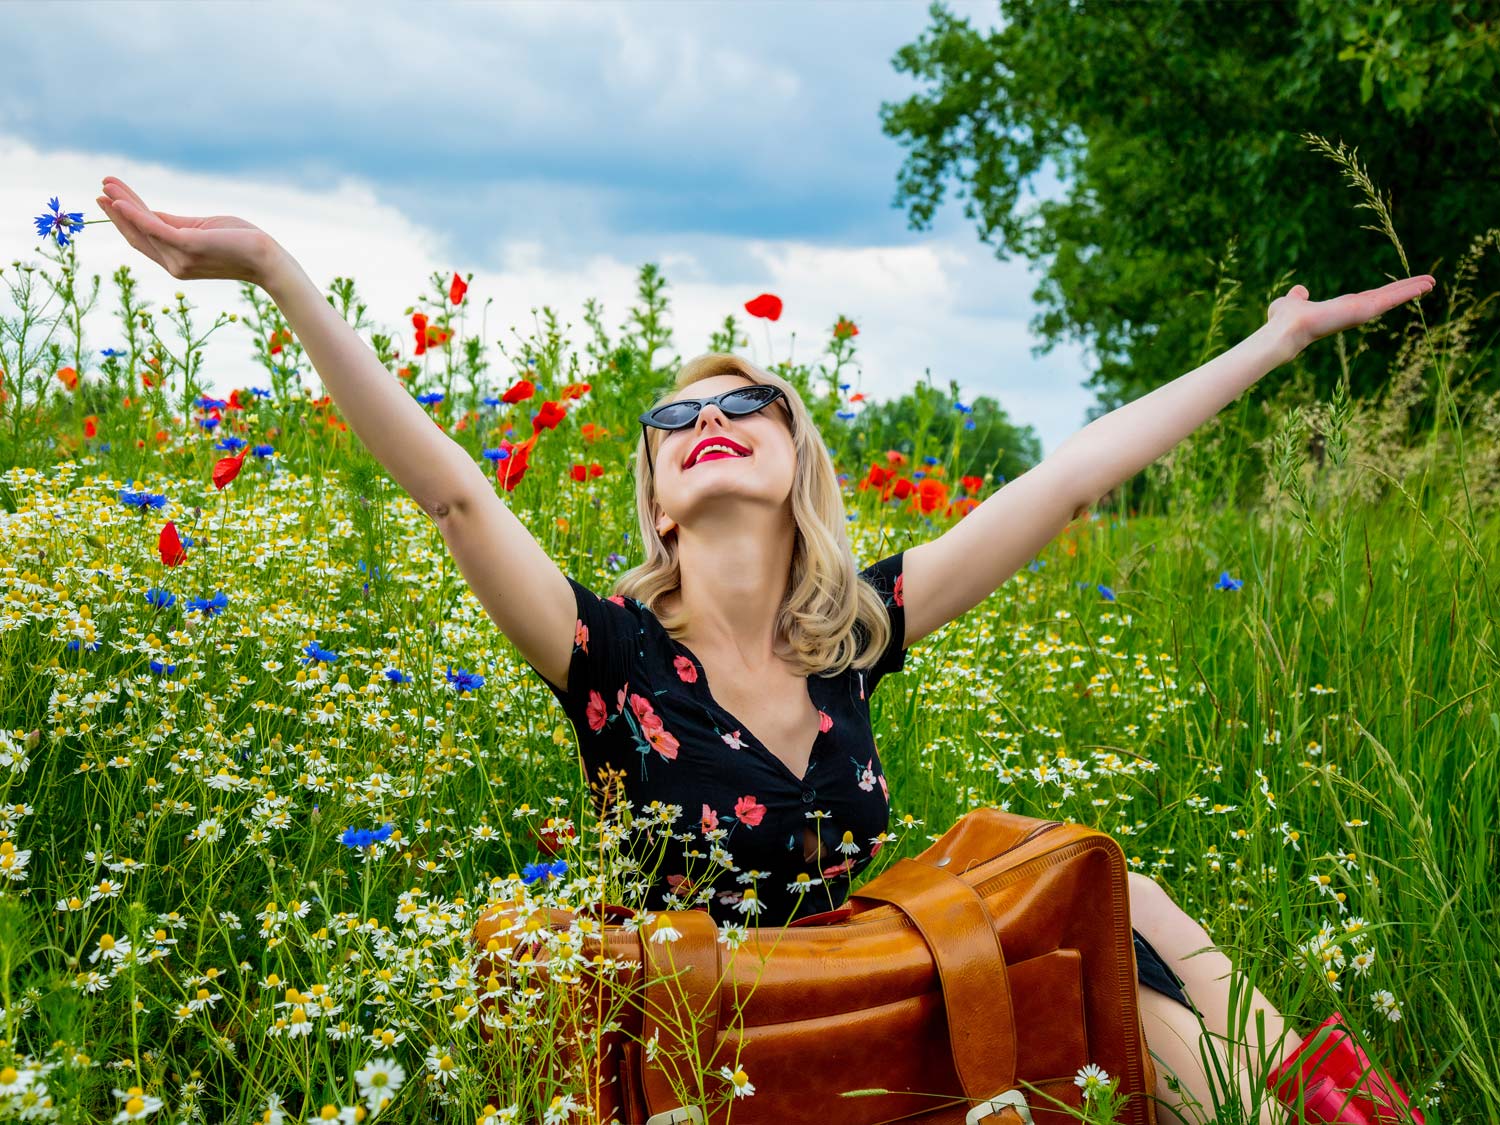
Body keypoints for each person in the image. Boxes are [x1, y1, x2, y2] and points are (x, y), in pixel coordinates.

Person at [96, 175, 1433, 1125]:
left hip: (881, 990)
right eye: (678, 417)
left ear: (798, 458)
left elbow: (1071, 479)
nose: (711, 416)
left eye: (749, 402)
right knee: (1127, 985)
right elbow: (452, 491)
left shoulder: (855, 634)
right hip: (733, 1047)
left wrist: (1277, 339)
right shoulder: (605, 653)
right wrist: (275, 271)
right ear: (660, 498)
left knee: (1128, 908)